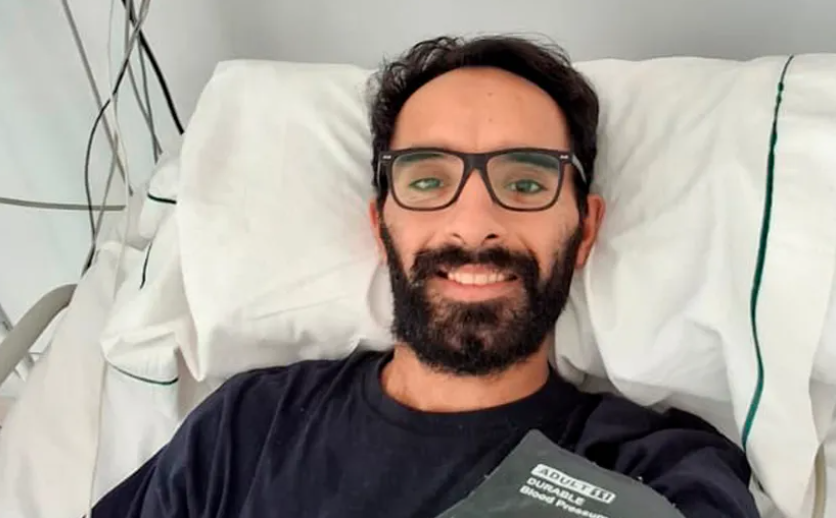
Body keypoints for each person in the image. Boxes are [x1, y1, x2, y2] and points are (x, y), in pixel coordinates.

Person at [88, 35, 760, 518]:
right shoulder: (250, 425)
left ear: (584, 230)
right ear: (381, 225)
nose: (474, 222)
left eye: (526, 182)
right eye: (428, 181)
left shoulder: (659, 469)